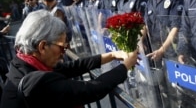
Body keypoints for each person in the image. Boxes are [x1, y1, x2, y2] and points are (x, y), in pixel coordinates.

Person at [0, 9, 138, 108]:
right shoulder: (38, 81)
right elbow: (90, 90)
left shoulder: (23, 62)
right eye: (62, 48)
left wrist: (112, 55)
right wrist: (125, 66)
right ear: (42, 46)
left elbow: (71, 67)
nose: (64, 53)